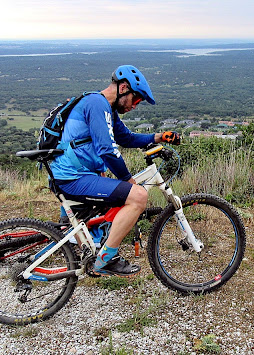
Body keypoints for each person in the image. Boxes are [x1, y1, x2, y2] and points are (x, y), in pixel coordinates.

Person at [50, 65, 180, 277]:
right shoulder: (96, 104)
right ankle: (106, 259)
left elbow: (126, 138)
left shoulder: (106, 108)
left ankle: (88, 244)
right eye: (136, 99)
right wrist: (129, 181)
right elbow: (107, 151)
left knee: (115, 199)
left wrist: (159, 137)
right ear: (124, 88)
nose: (135, 106)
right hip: (73, 177)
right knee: (137, 196)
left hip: (75, 174)